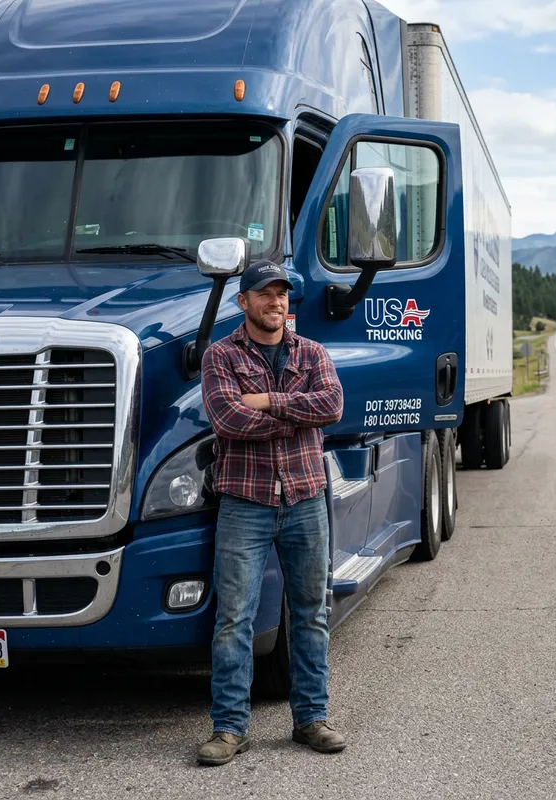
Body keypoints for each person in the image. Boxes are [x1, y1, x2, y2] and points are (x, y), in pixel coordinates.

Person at [198, 259, 346, 766]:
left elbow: (331, 407)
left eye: (282, 293)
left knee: (311, 614)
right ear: (244, 302)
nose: (275, 302)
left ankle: (311, 720)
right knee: (233, 619)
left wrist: (267, 401)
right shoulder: (220, 356)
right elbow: (227, 418)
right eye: (264, 293)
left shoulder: (313, 352)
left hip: (305, 499)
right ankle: (229, 729)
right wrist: (291, 412)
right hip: (245, 503)